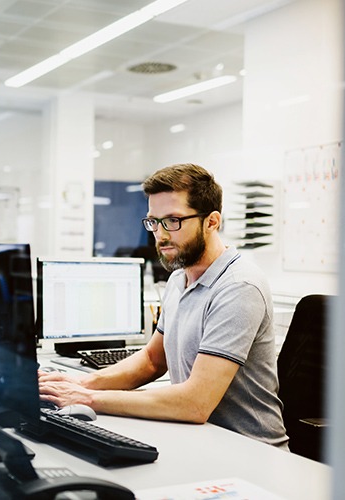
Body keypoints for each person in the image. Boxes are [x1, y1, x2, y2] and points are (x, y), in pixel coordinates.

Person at [39, 163, 289, 449]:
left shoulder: (238, 286)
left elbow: (195, 402)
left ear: (212, 221)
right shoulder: (178, 279)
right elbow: (152, 361)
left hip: (251, 450)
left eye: (173, 220)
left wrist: (87, 399)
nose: (160, 234)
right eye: (153, 222)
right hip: (202, 439)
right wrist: (80, 384)